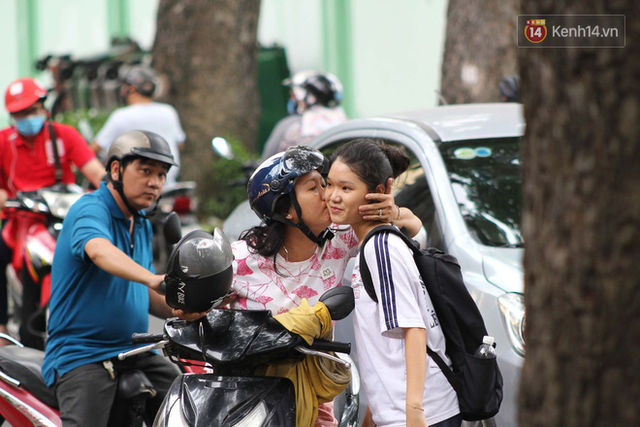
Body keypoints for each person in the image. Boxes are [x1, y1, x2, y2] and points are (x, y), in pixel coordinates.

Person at [227, 145, 422, 426]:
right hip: (244, 392)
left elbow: (415, 231)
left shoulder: (342, 238)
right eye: (314, 188)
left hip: (313, 392)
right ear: (287, 210)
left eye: (326, 183)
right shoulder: (241, 258)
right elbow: (194, 305)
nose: (328, 195)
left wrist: (395, 212)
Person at [42, 130, 205, 426]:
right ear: (116, 169)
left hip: (132, 352)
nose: (155, 182)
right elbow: (99, 251)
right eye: (145, 171)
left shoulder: (140, 222)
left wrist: (190, 309)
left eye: (161, 174)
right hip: (83, 354)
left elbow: (146, 295)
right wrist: (152, 278)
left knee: (188, 408)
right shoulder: (90, 208)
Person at [325, 138, 461, 427]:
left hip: (422, 415)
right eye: (329, 184)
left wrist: (414, 410)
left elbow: (413, 328)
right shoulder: (375, 244)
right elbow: (386, 348)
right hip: (402, 413)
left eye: (346, 188)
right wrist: (373, 416)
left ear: (379, 192)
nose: (333, 196)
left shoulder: (380, 249)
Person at [0, 76, 105, 341]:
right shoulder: (3, 141)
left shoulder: (64, 135)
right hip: (18, 219)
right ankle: (2, 328)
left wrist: (114, 194)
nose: (28, 117)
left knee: (98, 251)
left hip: (63, 218)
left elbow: (96, 173)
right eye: (20, 113)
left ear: (44, 109)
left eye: (32, 111)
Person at [91, 65, 186, 188]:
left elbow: (94, 149)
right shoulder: (169, 111)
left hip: (135, 188)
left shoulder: (121, 116)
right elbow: (180, 144)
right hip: (167, 184)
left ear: (131, 88)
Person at [261, 71, 347, 159]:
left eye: (294, 95)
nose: (293, 99)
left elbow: (267, 159)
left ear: (306, 97)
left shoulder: (291, 124)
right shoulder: (343, 122)